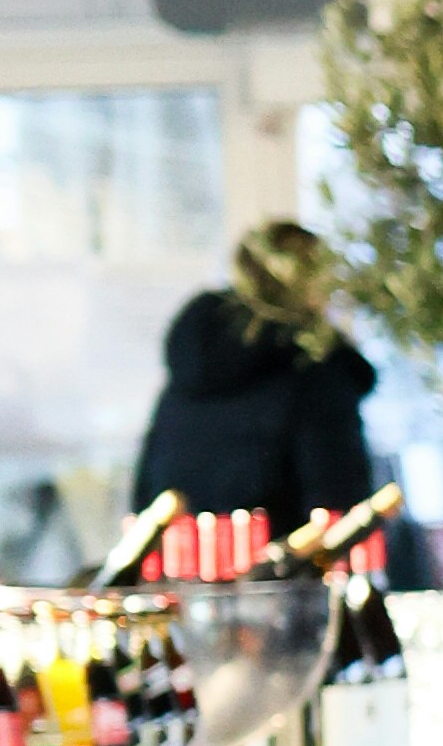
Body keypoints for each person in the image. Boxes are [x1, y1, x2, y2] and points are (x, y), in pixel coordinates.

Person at [132, 219, 380, 538]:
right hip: (287, 582)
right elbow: (340, 516)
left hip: (177, 578)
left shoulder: (187, 377)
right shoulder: (316, 375)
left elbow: (146, 500)